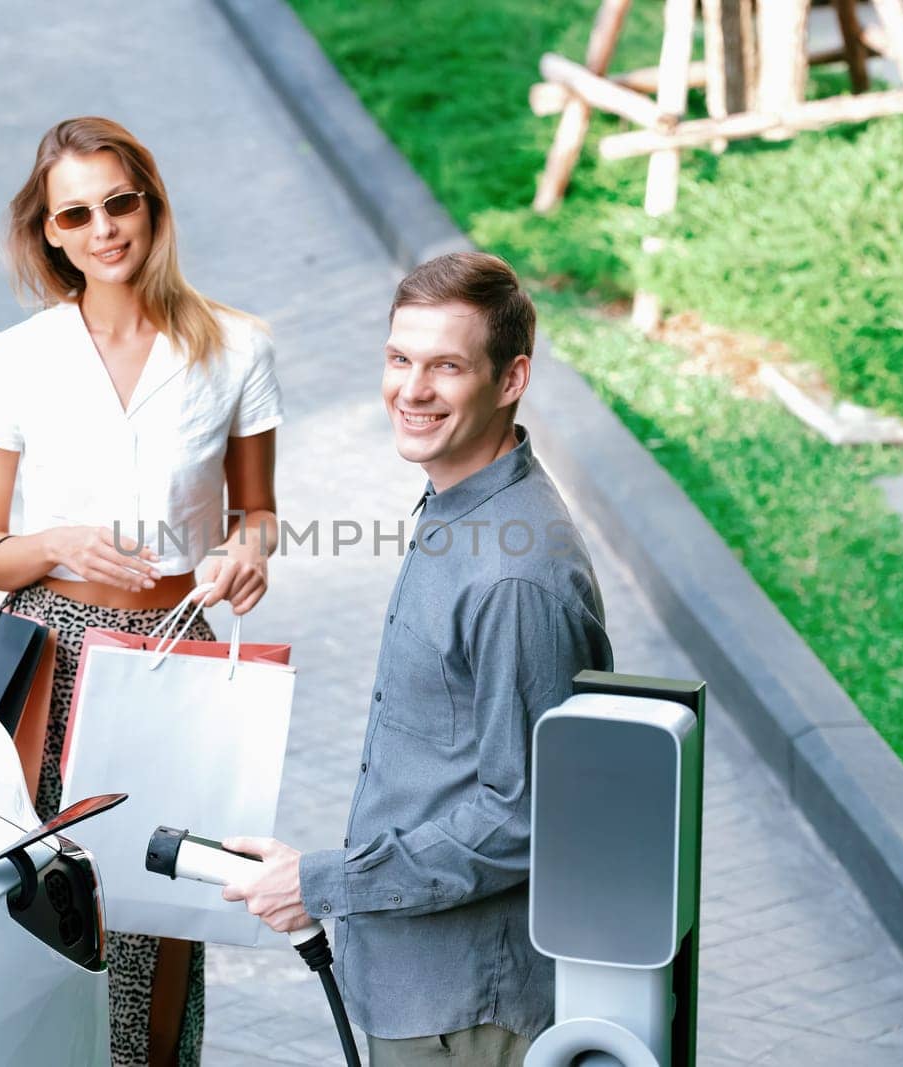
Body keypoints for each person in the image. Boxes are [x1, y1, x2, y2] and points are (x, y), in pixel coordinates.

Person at [223, 252, 612, 1065]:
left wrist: (324, 881)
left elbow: (527, 817)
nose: (412, 388)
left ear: (511, 380)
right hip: (414, 981)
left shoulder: (515, 574)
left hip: (464, 1004)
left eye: (446, 365)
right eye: (400, 358)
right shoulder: (460, 506)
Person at [0, 116, 282, 1067]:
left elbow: (258, 513)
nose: (104, 228)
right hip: (55, 656)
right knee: (58, 896)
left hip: (178, 647)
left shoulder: (237, 347)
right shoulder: (13, 358)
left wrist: (245, 555)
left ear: (152, 202)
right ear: (50, 233)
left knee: (165, 901)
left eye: (119, 202)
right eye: (77, 214)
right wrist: (53, 542)